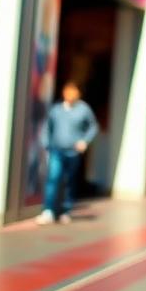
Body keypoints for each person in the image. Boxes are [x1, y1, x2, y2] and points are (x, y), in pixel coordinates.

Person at [37, 81, 98, 225]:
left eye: (73, 92)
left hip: (73, 152)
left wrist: (85, 141)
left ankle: (66, 210)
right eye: (68, 91)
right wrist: (46, 143)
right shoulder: (56, 109)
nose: (70, 95)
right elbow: (47, 126)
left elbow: (93, 126)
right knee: (53, 178)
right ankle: (48, 211)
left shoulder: (83, 109)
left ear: (78, 94)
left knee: (69, 181)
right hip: (56, 150)